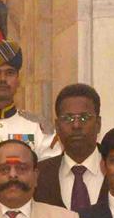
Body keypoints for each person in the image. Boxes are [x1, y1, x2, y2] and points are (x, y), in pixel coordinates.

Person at [0, 36, 58, 160]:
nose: (2, 79)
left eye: (10, 73)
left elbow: (50, 171)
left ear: (18, 80)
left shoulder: (37, 126)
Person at [35, 83, 106, 211]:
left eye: (84, 118)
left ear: (98, 124)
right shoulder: (39, 175)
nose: (76, 125)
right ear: (57, 126)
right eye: (68, 118)